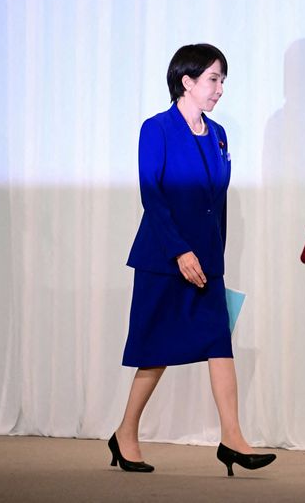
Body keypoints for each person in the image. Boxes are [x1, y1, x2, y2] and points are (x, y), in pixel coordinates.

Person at [108, 43, 276, 477]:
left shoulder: (219, 134)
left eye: (222, 80)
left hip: (206, 261)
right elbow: (153, 195)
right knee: (156, 351)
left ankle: (232, 438)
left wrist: (211, 258)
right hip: (164, 256)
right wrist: (179, 250)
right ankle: (126, 433)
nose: (220, 89)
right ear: (187, 81)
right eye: (213, 79)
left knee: (219, 342)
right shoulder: (157, 129)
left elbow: (213, 203)